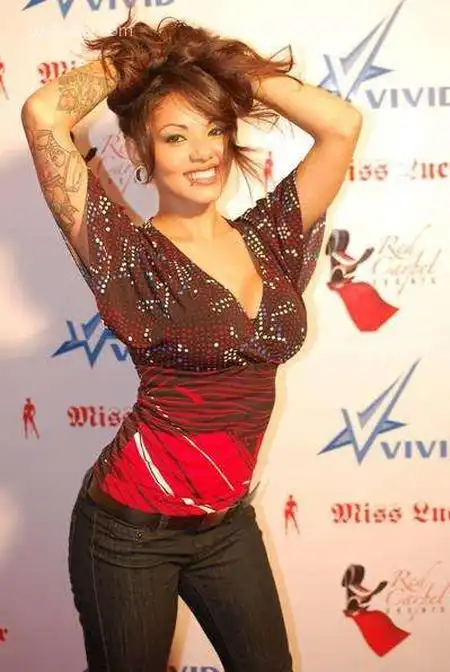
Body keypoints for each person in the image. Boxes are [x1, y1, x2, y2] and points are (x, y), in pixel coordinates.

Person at [21, 11, 362, 672]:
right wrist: (146, 56)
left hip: (226, 526)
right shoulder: (126, 252)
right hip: (128, 534)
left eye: (214, 129)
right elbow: (42, 114)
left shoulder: (271, 237)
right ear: (141, 153)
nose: (203, 152)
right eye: (176, 136)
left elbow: (340, 125)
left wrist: (221, 64)